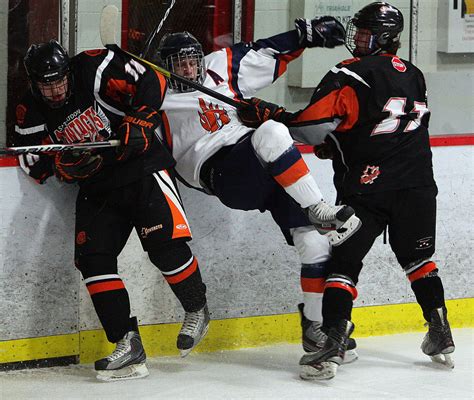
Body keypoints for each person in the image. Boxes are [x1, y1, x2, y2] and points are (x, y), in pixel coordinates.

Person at [237, 2, 456, 380]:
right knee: (419, 261)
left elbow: (311, 124)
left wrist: (272, 116)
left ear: (385, 36)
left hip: (368, 187)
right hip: (419, 184)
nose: (358, 37)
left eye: (367, 31)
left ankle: (333, 344)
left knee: (343, 265)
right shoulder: (416, 74)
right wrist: (337, 143)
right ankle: (439, 331)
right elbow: (378, 125)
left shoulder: (350, 73)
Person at [152, 17, 360, 361]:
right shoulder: (156, 94)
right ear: (166, 66)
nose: (189, 69)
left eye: (193, 60)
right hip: (222, 173)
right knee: (272, 130)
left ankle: (313, 327)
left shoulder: (220, 68)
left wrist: (305, 36)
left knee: (314, 243)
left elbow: (264, 53)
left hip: (266, 164)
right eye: (180, 63)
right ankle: (320, 207)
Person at [13, 40, 209, 381]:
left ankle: (196, 308)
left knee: (165, 249)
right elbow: (31, 158)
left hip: (141, 169)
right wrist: (63, 165)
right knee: (93, 260)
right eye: (46, 84)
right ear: (34, 82)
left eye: (59, 80)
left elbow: (154, 81)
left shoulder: (95, 67)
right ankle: (126, 344)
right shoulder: (29, 108)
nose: (55, 90)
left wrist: (140, 118)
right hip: (99, 187)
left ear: (68, 72)